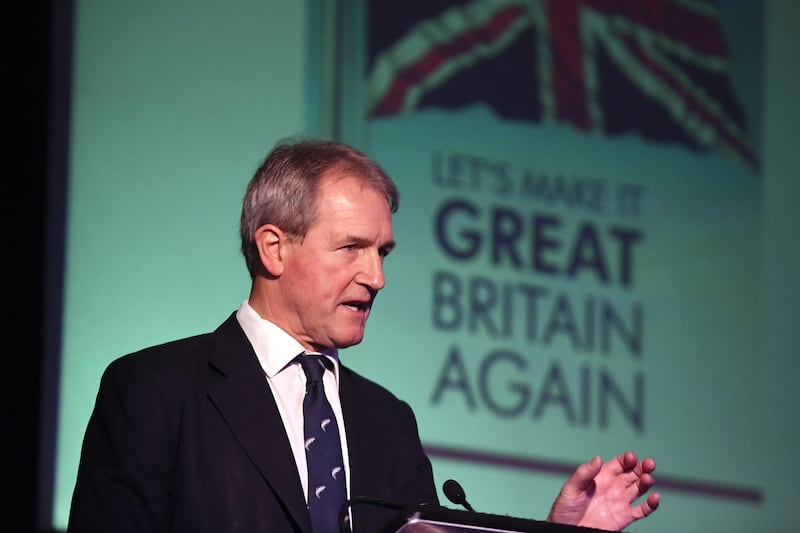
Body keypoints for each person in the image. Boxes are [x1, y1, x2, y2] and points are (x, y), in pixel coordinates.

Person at [68, 137, 659, 533]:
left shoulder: (386, 421)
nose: (375, 277)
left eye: (383, 252)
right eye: (351, 247)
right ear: (275, 247)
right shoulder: (153, 390)